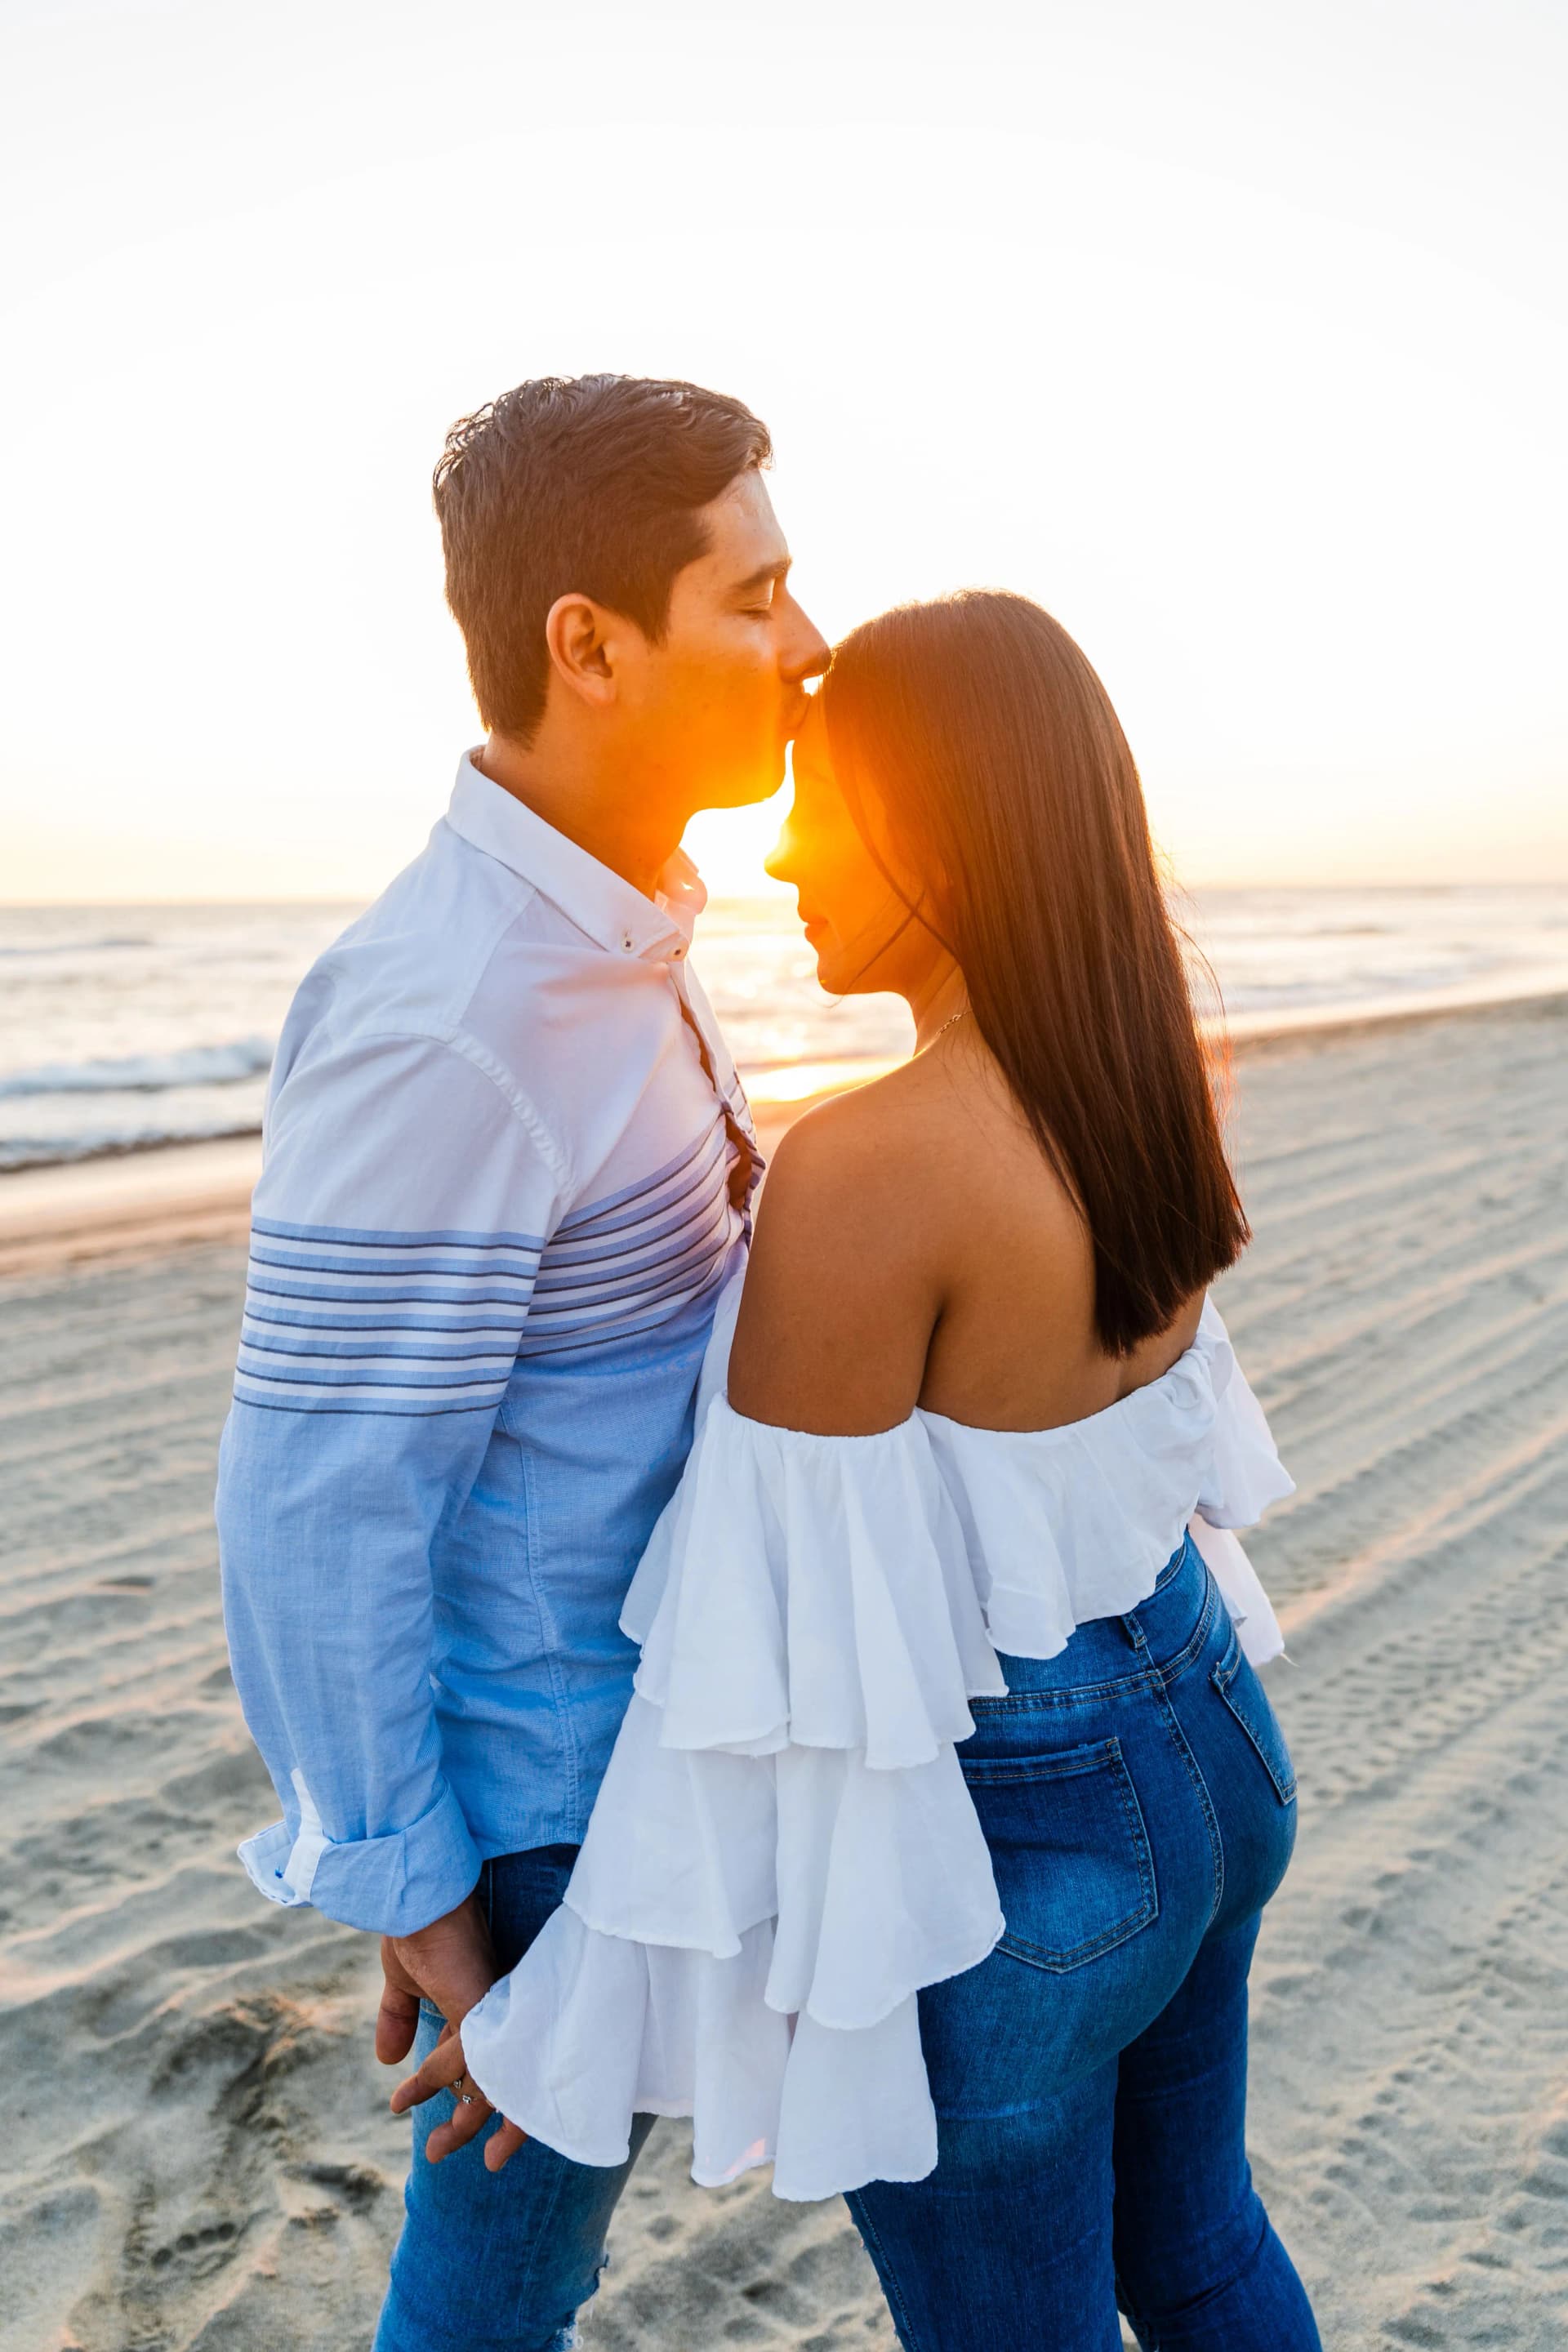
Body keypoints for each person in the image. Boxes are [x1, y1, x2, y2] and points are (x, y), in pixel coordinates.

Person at [396, 591, 1325, 2350]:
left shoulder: (874, 1169)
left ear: (951, 827)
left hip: (1039, 1846)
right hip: (1210, 1726)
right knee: (1199, 2254)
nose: (785, 855)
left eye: (827, 804)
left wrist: (562, 2018)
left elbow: (763, 1681)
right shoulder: (1148, 1072)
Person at [214, 373, 830, 2352]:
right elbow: (316, 1510)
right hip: (558, 1820)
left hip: (664, 1746)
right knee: (487, 2304)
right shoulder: (447, 1014)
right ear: (592, 645)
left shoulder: (620, 927)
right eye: (755, 598)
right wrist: (421, 1894)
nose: (806, 648)